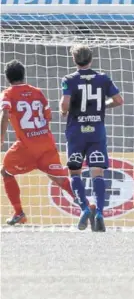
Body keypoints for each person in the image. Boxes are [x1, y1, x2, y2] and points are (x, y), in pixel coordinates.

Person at [0, 59, 75, 225]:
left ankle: (19, 213)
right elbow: (49, 116)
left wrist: (1, 138)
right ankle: (85, 205)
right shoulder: (38, 92)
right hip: (46, 142)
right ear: (23, 75)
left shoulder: (7, 94)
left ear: (7, 78)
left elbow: (4, 113)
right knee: (59, 179)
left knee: (6, 171)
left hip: (26, 145)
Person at [60, 45, 123, 232]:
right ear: (91, 59)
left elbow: (64, 104)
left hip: (76, 133)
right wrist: (102, 107)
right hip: (96, 132)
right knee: (98, 173)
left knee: (75, 173)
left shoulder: (69, 79)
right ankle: (100, 213)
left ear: (74, 60)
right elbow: (119, 100)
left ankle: (85, 208)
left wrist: (65, 111)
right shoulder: (103, 78)